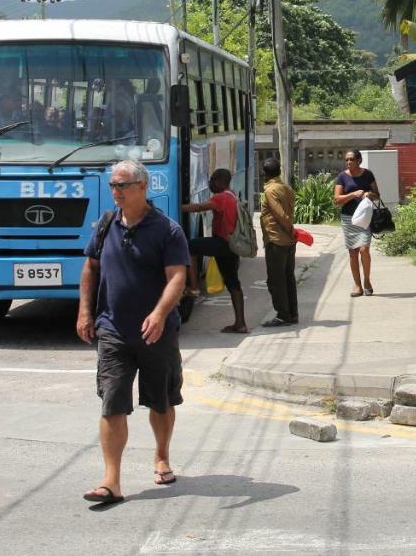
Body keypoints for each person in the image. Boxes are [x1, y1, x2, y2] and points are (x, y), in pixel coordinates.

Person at [76, 159, 189, 505]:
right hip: (113, 331)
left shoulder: (167, 230)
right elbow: (90, 268)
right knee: (112, 402)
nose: (116, 192)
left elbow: (178, 278)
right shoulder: (106, 225)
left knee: (161, 401)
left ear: (143, 187)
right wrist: (85, 311)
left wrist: (158, 313)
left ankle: (162, 455)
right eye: (113, 185)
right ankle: (111, 481)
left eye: (122, 185)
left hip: (157, 332)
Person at [181, 168, 246, 333]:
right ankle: (240, 323)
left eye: (211, 180)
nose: (210, 183)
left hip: (222, 243)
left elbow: (199, 207)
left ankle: (194, 287)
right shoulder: (231, 195)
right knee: (233, 283)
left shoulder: (221, 197)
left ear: (219, 181)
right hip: (232, 245)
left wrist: (180, 207)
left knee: (190, 246)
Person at [334, 149, 380, 297]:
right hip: (348, 219)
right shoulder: (342, 177)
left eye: (351, 159)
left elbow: (377, 195)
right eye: (346, 160)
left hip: (365, 218)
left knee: (364, 250)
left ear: (359, 160)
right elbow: (337, 200)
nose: (348, 162)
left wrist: (369, 194)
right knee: (353, 253)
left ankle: (367, 281)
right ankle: (357, 285)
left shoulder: (368, 174)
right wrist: (353, 194)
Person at [259, 158, 298, 327]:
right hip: (289, 241)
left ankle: (283, 315)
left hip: (276, 240)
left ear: (264, 174)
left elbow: (280, 215)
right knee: (288, 278)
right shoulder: (286, 187)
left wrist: (289, 229)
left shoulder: (270, 191)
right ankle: (292, 314)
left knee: (276, 280)